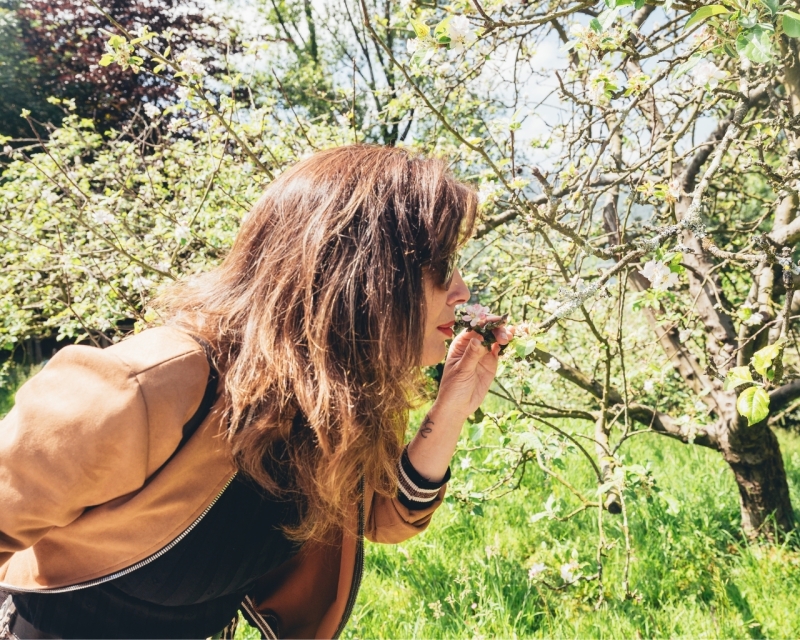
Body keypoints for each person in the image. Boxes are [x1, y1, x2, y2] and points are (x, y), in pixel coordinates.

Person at [0, 145, 508, 639]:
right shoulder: (146, 387)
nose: (462, 290)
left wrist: (453, 406)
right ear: (361, 272)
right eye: (440, 266)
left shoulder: (335, 398)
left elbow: (383, 518)